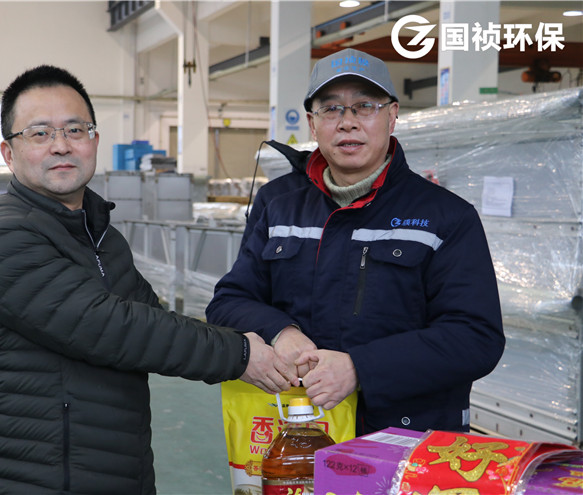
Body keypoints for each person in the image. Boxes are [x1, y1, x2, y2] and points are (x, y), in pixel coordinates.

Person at [0, 64, 297, 495]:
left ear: (94, 141)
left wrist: (271, 333)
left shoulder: (99, 233)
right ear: (9, 153)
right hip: (39, 477)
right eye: (40, 133)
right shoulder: (4, 237)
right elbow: (114, 328)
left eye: (75, 130)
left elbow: (155, 319)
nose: (61, 145)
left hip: (115, 467)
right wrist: (241, 353)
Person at [206, 48, 505, 436]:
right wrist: (282, 332)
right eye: (331, 109)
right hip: (298, 432)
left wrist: (360, 368)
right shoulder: (278, 204)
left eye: (364, 107)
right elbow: (229, 301)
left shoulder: (445, 216)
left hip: (403, 439)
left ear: (392, 116)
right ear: (313, 124)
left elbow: (475, 338)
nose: (347, 123)